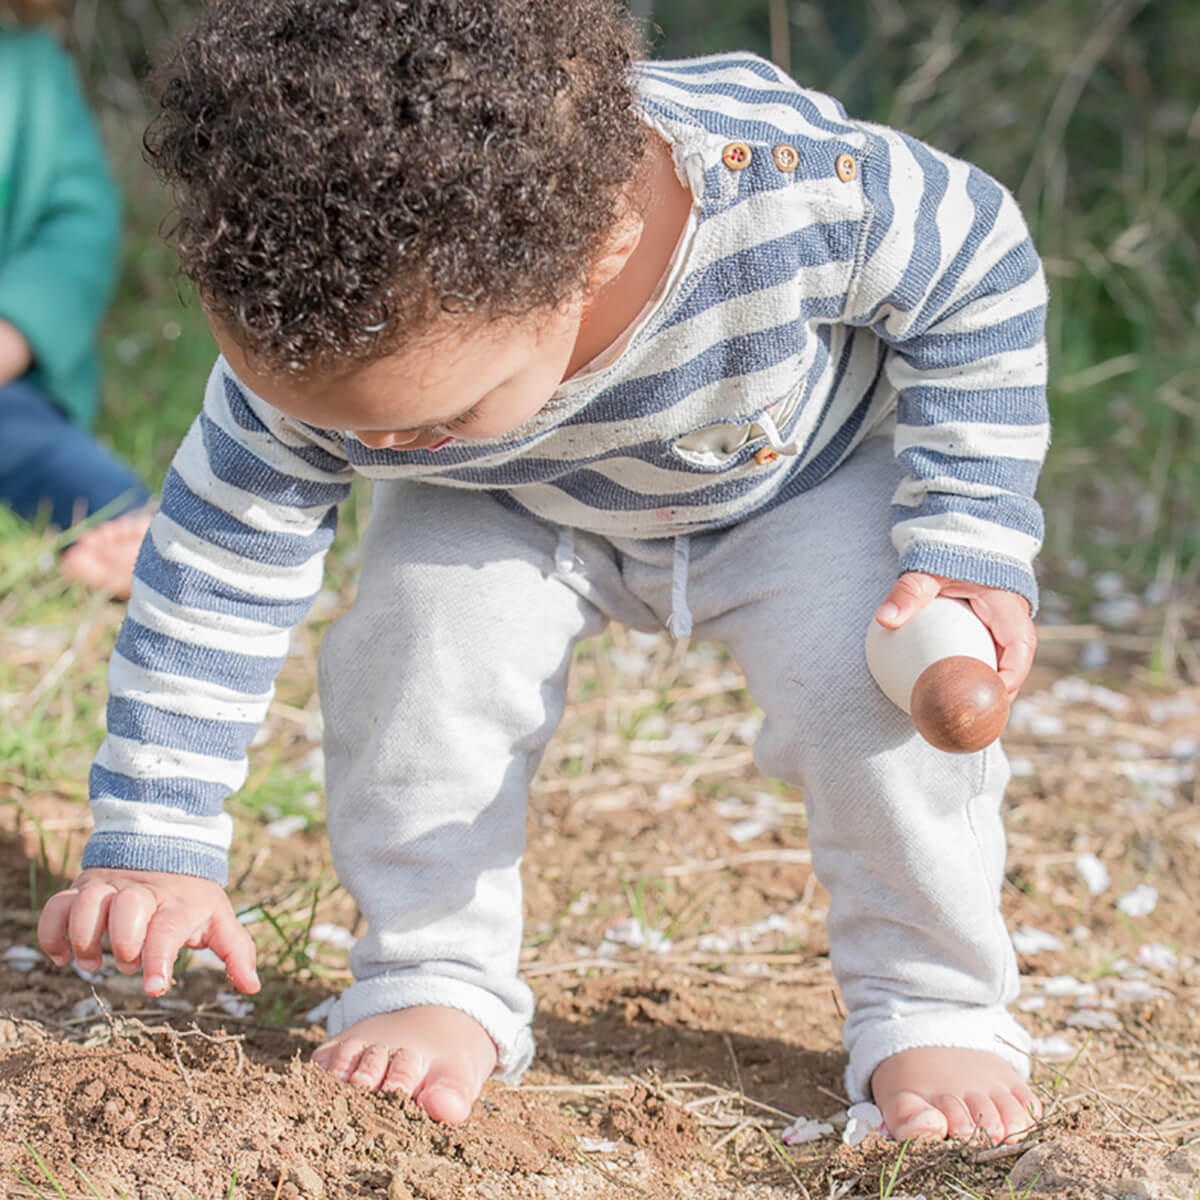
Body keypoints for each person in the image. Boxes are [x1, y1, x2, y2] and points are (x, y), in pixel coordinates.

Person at [36, 0, 1050, 1143]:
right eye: (343, 430)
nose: (370, 456)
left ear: (600, 249)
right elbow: (217, 560)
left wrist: (969, 535)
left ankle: (934, 1000)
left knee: (869, 706)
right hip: (512, 502)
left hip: (799, 484)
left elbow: (982, 263)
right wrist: (157, 834)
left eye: (425, 419)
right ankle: (434, 977)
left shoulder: (791, 191)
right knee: (418, 662)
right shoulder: (321, 336)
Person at [0, 0, 151, 597]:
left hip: (6, 396)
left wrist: (15, 331)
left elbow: (77, 226)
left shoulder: (28, 71)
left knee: (48, 455)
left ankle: (131, 533)